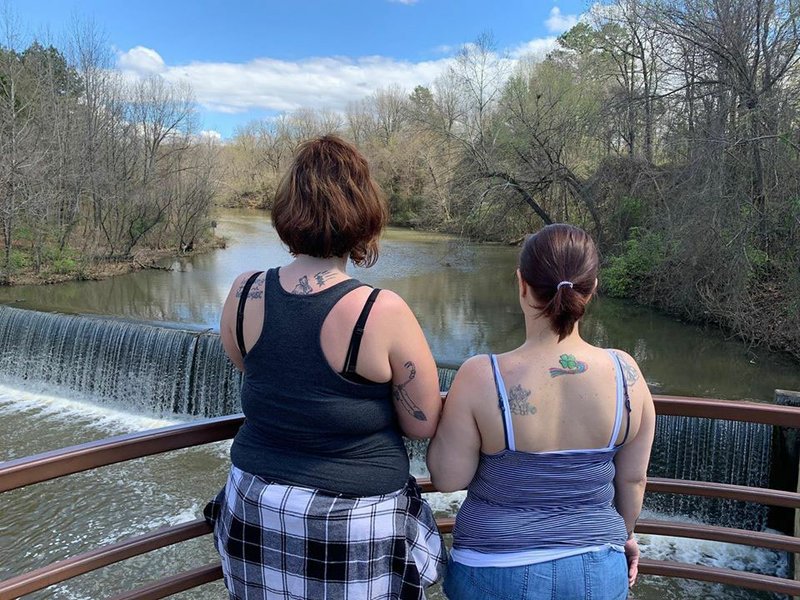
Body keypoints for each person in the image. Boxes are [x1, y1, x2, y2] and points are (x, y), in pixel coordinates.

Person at [205, 135, 446, 599]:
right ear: (363, 214)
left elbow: (247, 366)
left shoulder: (243, 292)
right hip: (352, 526)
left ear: (287, 209)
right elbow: (422, 422)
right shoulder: (381, 310)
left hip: (254, 508)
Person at [427, 224, 655, 600]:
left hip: (493, 570)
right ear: (592, 288)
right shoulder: (626, 373)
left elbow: (449, 478)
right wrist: (623, 535)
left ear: (521, 284)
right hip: (597, 568)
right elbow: (633, 481)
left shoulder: (481, 376)